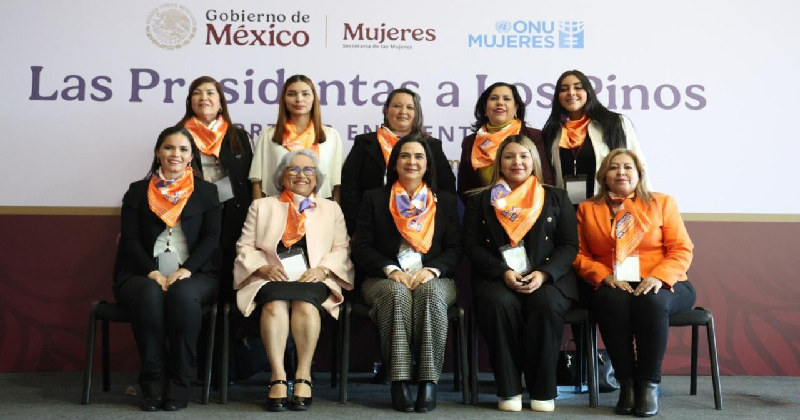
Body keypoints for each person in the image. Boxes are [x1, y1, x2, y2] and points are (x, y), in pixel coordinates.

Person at [573, 149, 694, 417]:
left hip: (666, 281)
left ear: (639, 173)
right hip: (614, 281)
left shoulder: (662, 202)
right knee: (610, 299)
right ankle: (627, 384)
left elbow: (681, 249)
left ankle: (648, 385)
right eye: (613, 167)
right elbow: (579, 255)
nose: (621, 172)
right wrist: (603, 275)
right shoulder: (587, 209)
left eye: (628, 167)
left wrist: (659, 276)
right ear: (604, 176)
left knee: (651, 301)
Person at [462, 135, 578, 413]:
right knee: (498, 303)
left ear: (534, 161)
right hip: (497, 277)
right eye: (509, 156)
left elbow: (568, 246)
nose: (517, 162)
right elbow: (472, 246)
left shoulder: (556, 196)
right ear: (499, 163)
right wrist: (502, 272)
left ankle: (543, 391)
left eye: (524, 156)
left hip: (547, 278)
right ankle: (509, 389)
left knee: (545, 303)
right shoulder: (481, 200)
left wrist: (544, 274)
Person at [233, 150, 354, 412]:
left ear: (317, 178)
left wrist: (323, 270)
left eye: (308, 170)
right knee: (274, 305)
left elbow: (342, 248)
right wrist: (263, 267)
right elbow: (245, 246)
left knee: (305, 305)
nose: (301, 175)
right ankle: (277, 376)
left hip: (313, 277)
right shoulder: (262, 206)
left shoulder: (331, 208)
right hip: (272, 276)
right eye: (294, 169)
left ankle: (303, 375)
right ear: (281, 177)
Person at [113, 127, 221, 411]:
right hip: (141, 273)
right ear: (157, 152)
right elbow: (130, 239)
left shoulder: (207, 192)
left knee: (183, 295)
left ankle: (180, 383)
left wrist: (186, 270)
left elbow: (211, 238)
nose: (176, 154)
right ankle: (152, 382)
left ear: (191, 156)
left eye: (183, 149)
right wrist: (153, 273)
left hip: (195, 274)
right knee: (149, 294)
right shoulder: (137, 191)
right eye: (169, 148)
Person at [351, 135, 462, 413]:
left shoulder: (444, 202)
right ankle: (399, 381)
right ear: (394, 163)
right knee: (396, 293)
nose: (411, 161)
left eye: (418, 156)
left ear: (428, 165)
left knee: (430, 293)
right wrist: (390, 270)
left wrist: (432, 270)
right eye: (404, 156)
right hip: (383, 278)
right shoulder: (375, 199)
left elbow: (455, 248)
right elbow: (362, 247)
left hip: (435, 277)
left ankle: (428, 382)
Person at [341, 88, 456, 235]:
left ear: (416, 113)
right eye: (397, 106)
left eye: (410, 107)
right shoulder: (364, 143)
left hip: (423, 226)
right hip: (373, 225)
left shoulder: (432, 146)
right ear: (386, 110)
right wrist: (357, 228)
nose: (403, 112)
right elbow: (349, 188)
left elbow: (446, 187)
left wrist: (439, 228)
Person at [177, 76, 253, 298]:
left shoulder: (238, 136)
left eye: (210, 93)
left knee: (231, 263)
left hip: (232, 209)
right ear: (190, 101)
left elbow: (247, 178)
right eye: (197, 93)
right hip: (193, 209)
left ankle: (228, 316)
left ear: (221, 102)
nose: (204, 98)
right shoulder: (179, 135)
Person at [542, 70, 649, 205]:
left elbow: (639, 165)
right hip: (566, 209)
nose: (571, 93)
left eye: (578, 87)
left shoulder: (615, 123)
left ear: (588, 92)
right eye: (564, 89)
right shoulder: (552, 131)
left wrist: (645, 204)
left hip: (608, 206)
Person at [249, 74, 344, 201]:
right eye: (292, 94)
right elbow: (257, 181)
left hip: (319, 209)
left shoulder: (331, 136)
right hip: (278, 208)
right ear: (284, 99)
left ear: (314, 98)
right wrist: (258, 210)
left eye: (305, 94)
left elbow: (337, 185)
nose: (299, 99)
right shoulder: (269, 135)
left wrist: (335, 211)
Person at [458, 82, 553, 205]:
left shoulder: (534, 136)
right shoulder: (470, 142)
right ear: (485, 107)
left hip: (529, 209)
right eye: (494, 98)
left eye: (506, 99)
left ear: (516, 107)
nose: (500, 102)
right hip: (485, 211)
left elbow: (545, 179)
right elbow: (465, 188)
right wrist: (485, 209)